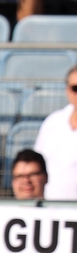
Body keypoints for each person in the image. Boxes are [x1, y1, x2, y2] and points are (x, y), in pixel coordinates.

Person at [34, 65, 77, 201]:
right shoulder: (53, 121)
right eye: (75, 88)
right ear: (67, 90)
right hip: (50, 212)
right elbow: (37, 163)